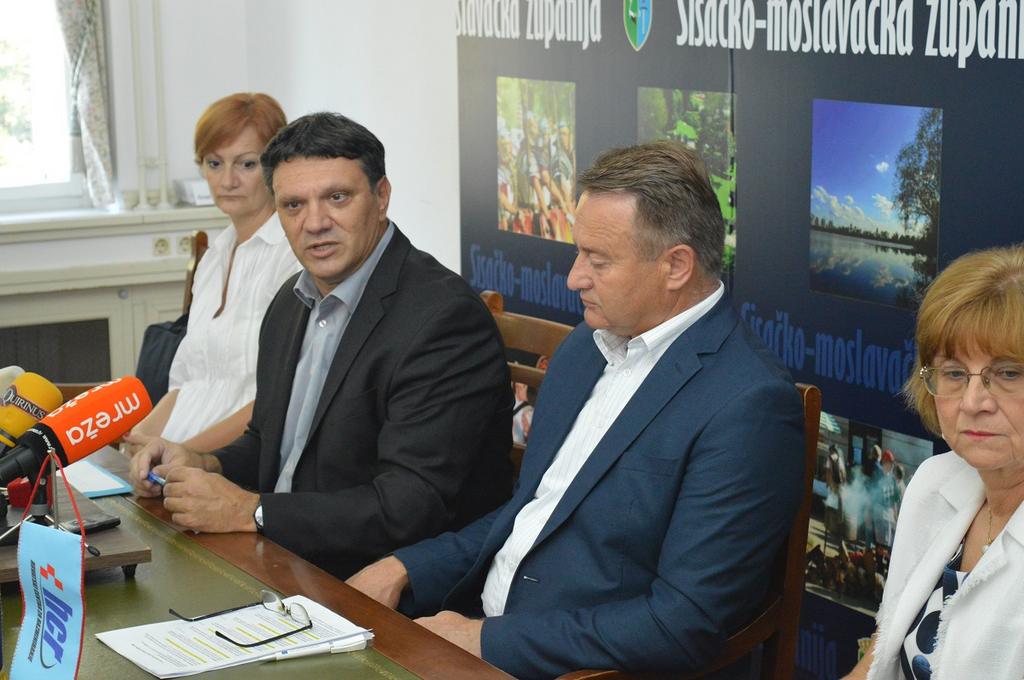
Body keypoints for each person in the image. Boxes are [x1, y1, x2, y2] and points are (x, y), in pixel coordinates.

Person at [348, 140, 805, 679]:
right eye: (578, 253)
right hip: (474, 629)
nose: (574, 278)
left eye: (598, 260)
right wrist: (408, 565)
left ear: (676, 266)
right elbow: (535, 509)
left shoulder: (748, 404)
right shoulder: (587, 347)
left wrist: (484, 641)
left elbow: (683, 624)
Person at [130, 112, 514, 580]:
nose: (314, 223)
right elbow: (269, 444)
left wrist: (251, 511)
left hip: (378, 580)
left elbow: (411, 505)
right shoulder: (292, 300)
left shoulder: (443, 319)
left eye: (337, 198)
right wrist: (204, 462)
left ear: (381, 197)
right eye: (293, 205)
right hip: (281, 557)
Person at [843, 245, 1024, 680]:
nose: (973, 402)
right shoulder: (934, 480)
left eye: (1008, 373)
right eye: (955, 373)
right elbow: (880, 658)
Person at [125, 93, 300, 454]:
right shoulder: (213, 258)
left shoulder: (292, 257)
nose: (227, 180)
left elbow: (277, 399)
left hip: (233, 461)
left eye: (247, 164)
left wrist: (184, 456)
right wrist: (138, 442)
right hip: (175, 455)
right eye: (214, 163)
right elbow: (186, 383)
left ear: (276, 166)